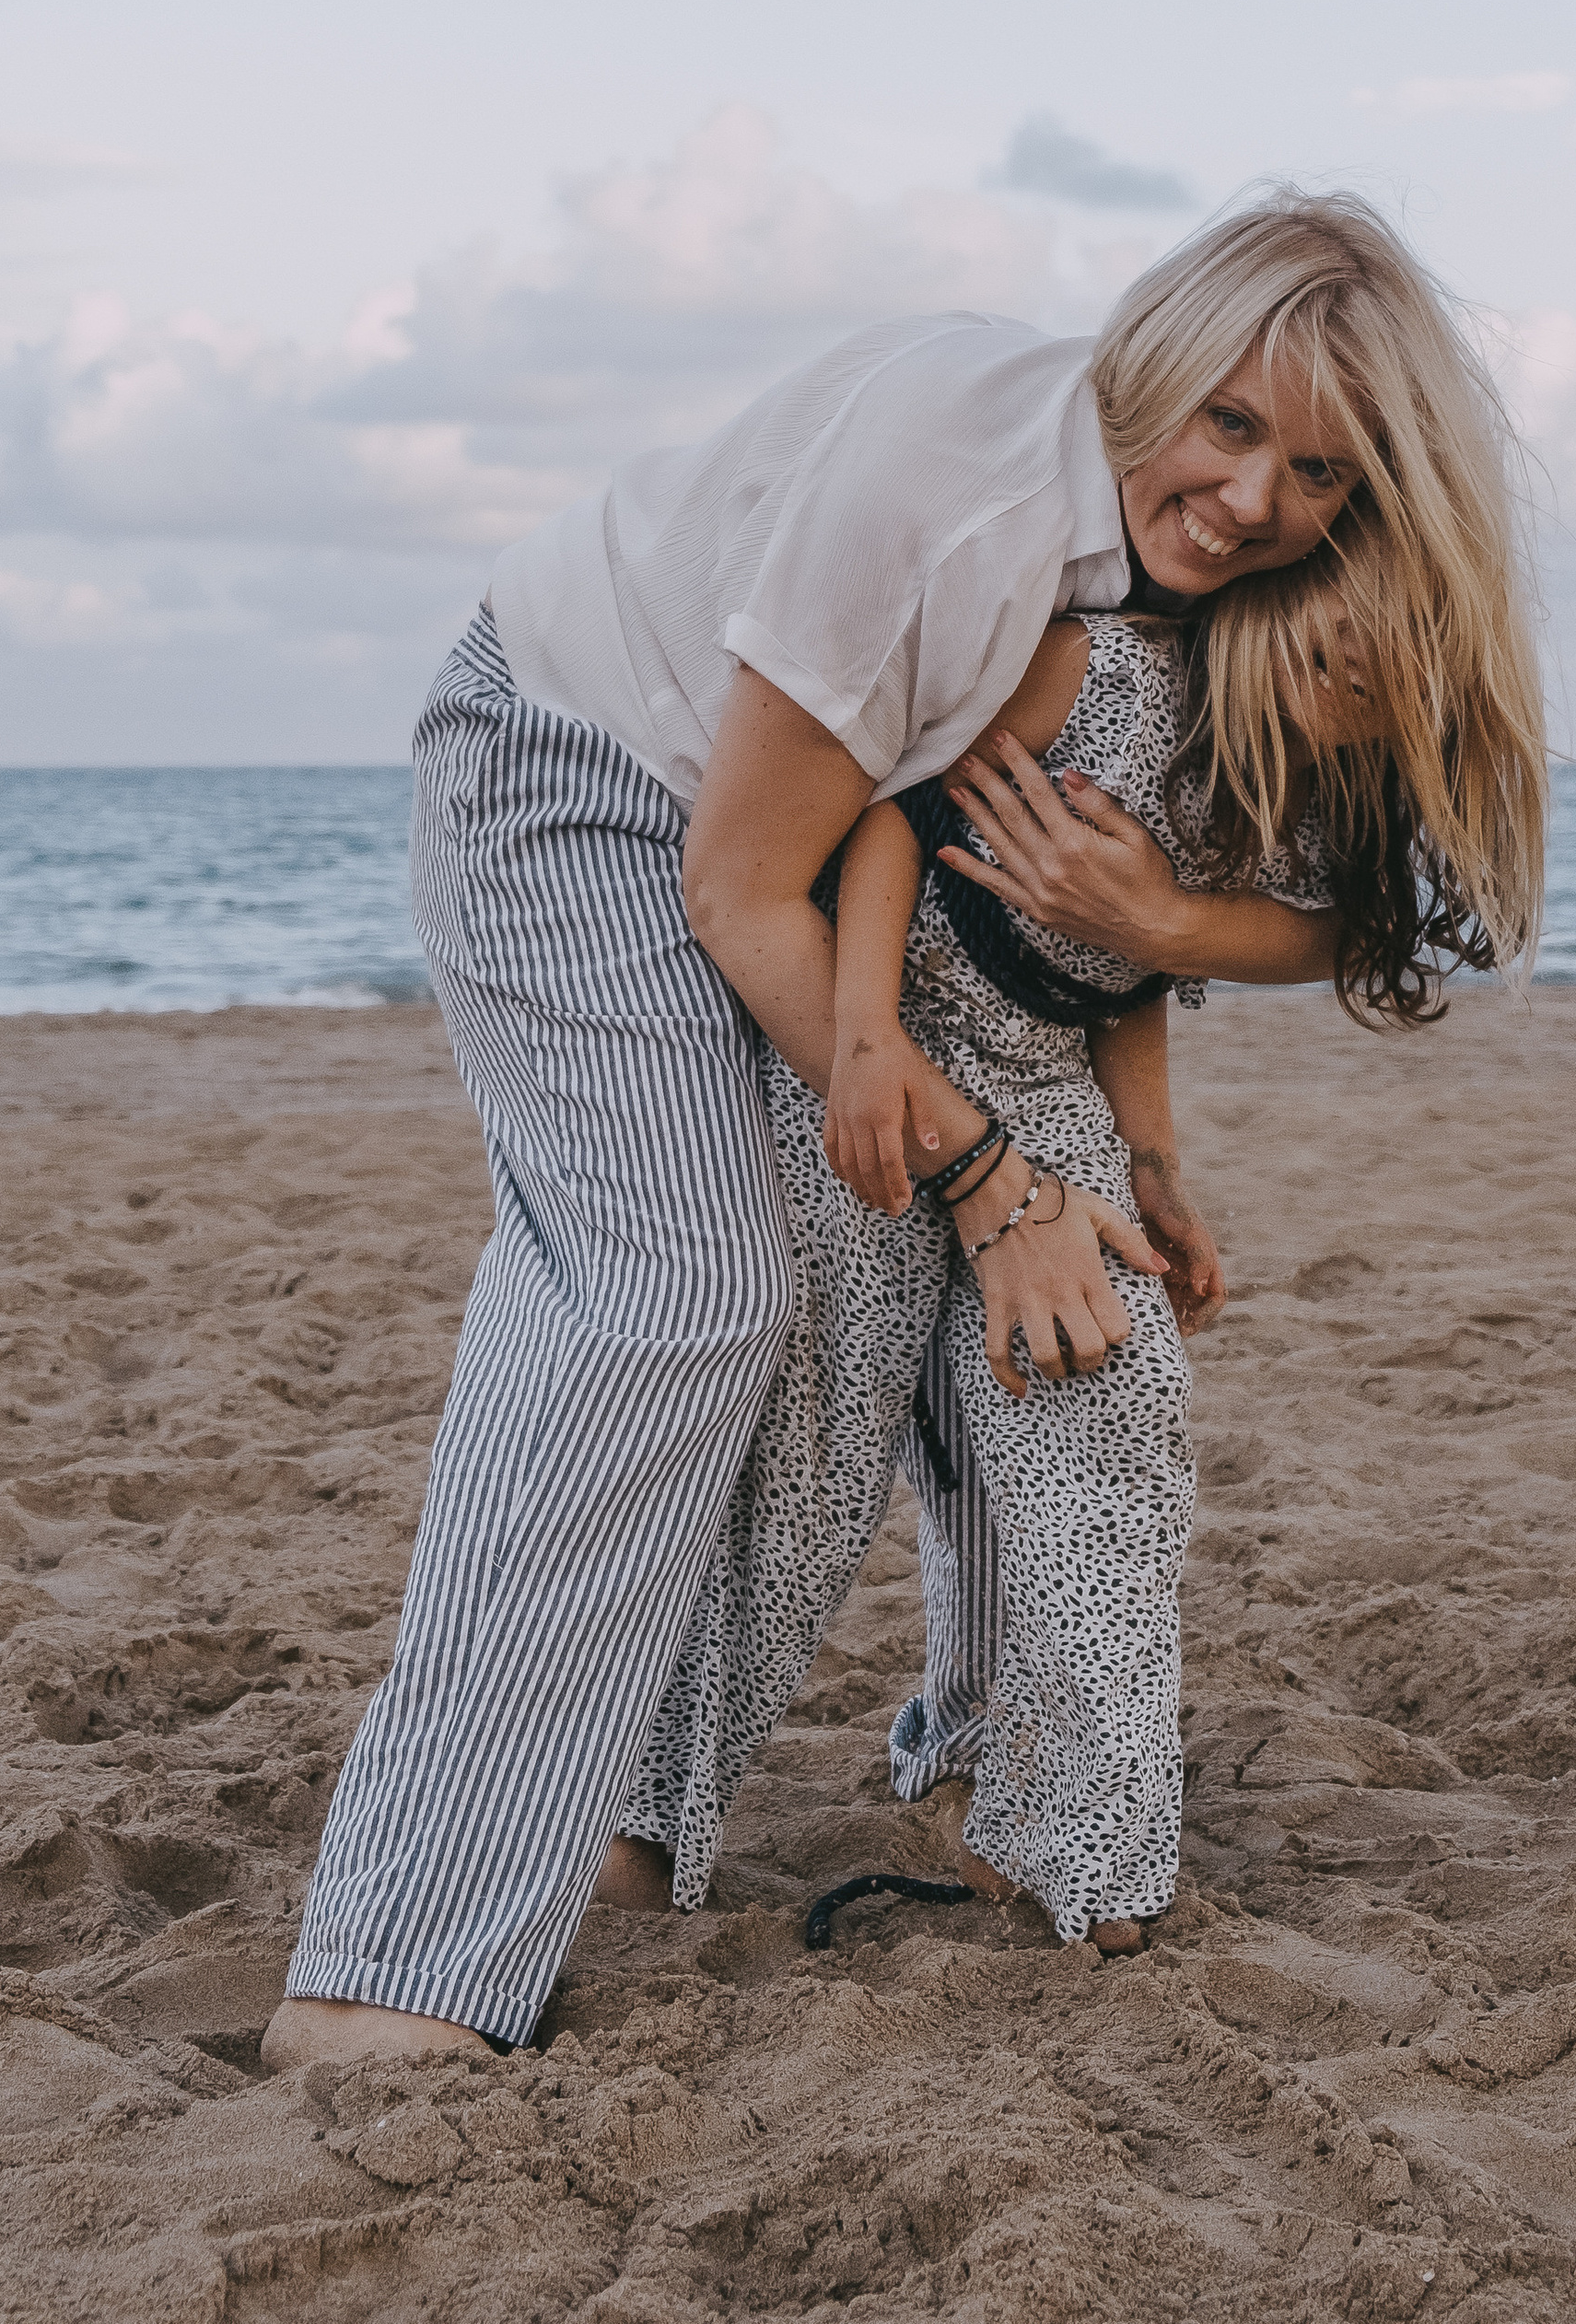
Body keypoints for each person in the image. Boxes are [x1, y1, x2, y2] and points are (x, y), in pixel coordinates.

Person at [263, 190, 1546, 2065]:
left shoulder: (1179, 584)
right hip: (583, 766)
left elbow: (1079, 886)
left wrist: (1134, 1114)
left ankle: (929, 1784)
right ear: (1155, 359)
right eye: (1229, 426)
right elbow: (747, 886)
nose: (1258, 499)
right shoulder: (954, 499)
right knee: (670, 1302)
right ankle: (389, 1974)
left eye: (1321, 474)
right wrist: (986, 1181)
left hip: (760, 853)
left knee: (869, 1339)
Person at [619, 510, 1518, 1958]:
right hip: (877, 1061)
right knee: (814, 1450)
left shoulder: (1282, 807)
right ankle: (644, 1821)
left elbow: (1121, 978)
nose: (1344, 683)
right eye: (1335, 644)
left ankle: (1076, 1838)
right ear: (1282, 597)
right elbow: (891, 818)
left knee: (1110, 1404)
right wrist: (857, 1043)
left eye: (1379, 689)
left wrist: (1154, 1171)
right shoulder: (1086, 667)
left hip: (1047, 1085)